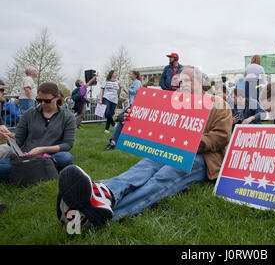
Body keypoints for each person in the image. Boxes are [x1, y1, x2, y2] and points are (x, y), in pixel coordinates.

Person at [56, 66, 233, 227]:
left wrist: (188, 142)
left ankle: (97, 218)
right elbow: (160, 127)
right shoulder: (176, 103)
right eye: (181, 81)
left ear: (201, 82)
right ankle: (104, 191)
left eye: (188, 80)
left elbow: (221, 137)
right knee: (143, 167)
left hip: (205, 158)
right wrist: (133, 121)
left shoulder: (218, 104)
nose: (183, 84)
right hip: (172, 149)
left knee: (164, 176)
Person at [0, 82, 76, 181]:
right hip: (27, 156)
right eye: (39, 100)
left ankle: (25, 172)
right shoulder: (29, 114)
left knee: (66, 157)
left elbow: (67, 144)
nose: (42, 103)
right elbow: (19, 141)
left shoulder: (68, 117)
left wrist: (41, 149)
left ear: (57, 97)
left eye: (47, 100)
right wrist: (10, 139)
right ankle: (43, 172)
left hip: (50, 156)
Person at [103, 71, 142, 151]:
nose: (130, 75)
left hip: (135, 104)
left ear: (135, 75)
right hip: (132, 103)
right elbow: (129, 94)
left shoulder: (137, 82)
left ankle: (114, 141)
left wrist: (128, 88)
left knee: (122, 118)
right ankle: (115, 141)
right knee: (123, 119)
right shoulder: (133, 82)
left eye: (131, 74)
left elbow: (135, 92)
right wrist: (124, 88)